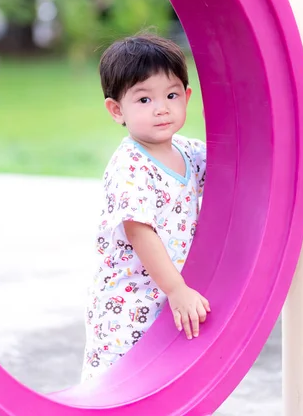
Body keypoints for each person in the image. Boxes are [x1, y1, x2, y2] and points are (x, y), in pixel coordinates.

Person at [81, 33, 209, 382]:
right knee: (117, 384)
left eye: (170, 95)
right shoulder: (130, 166)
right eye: (143, 99)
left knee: (163, 383)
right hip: (127, 304)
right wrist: (177, 289)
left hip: (167, 297)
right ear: (116, 110)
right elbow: (140, 232)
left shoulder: (189, 152)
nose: (161, 108)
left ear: (186, 97)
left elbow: (229, 170)